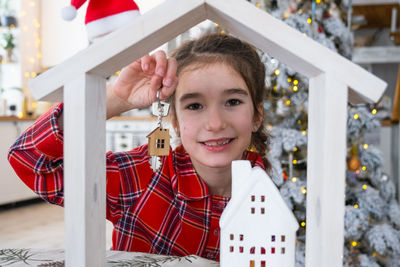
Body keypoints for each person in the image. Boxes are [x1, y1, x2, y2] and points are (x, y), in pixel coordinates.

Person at [8, 33, 271, 261]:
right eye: (194, 106)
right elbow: (29, 159)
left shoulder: (263, 189)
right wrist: (115, 99)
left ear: (257, 115)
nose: (214, 124)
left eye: (233, 102)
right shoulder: (142, 176)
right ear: (176, 122)